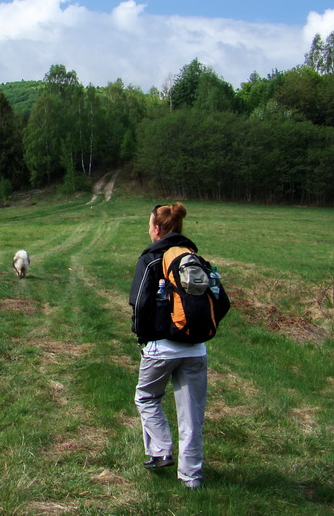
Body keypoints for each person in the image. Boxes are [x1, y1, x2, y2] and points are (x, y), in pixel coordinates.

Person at [129, 202, 208, 489]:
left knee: (147, 398)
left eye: (150, 225)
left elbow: (139, 303)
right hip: (196, 348)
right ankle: (191, 479)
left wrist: (142, 335)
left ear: (158, 229)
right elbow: (219, 301)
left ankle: (161, 450)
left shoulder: (150, 258)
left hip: (160, 347)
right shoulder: (193, 256)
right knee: (191, 417)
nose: (149, 230)